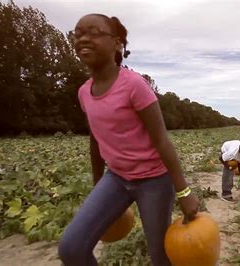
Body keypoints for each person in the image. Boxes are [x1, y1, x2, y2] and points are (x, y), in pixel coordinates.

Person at [58, 14, 199, 266]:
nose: (83, 39)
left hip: (154, 180)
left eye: (93, 32)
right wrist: (98, 185)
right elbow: (96, 141)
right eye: (78, 33)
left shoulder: (135, 85)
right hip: (116, 179)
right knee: (71, 247)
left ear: (117, 43)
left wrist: (184, 192)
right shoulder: (83, 92)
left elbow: (162, 141)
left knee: (161, 256)